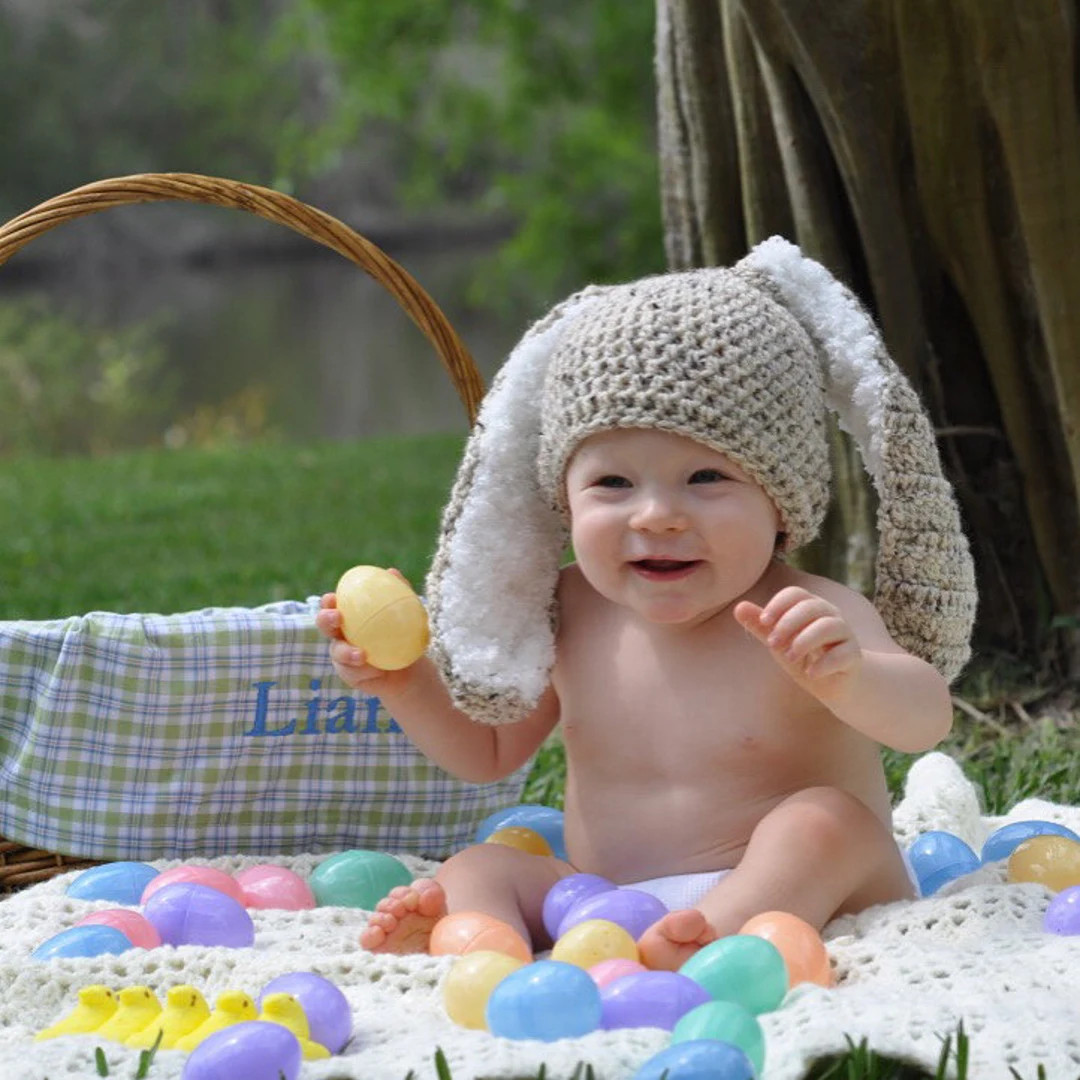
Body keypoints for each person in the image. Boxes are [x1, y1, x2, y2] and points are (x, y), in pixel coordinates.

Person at [316, 236, 977, 970]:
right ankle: (484, 946)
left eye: (704, 478)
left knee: (825, 824)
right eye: (613, 485)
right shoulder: (566, 611)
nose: (656, 515)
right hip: (612, 900)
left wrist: (851, 676)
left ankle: (715, 936)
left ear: (781, 504)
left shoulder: (807, 611)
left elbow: (926, 719)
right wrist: (400, 680)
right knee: (478, 867)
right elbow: (487, 752)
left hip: (805, 890)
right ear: (563, 504)